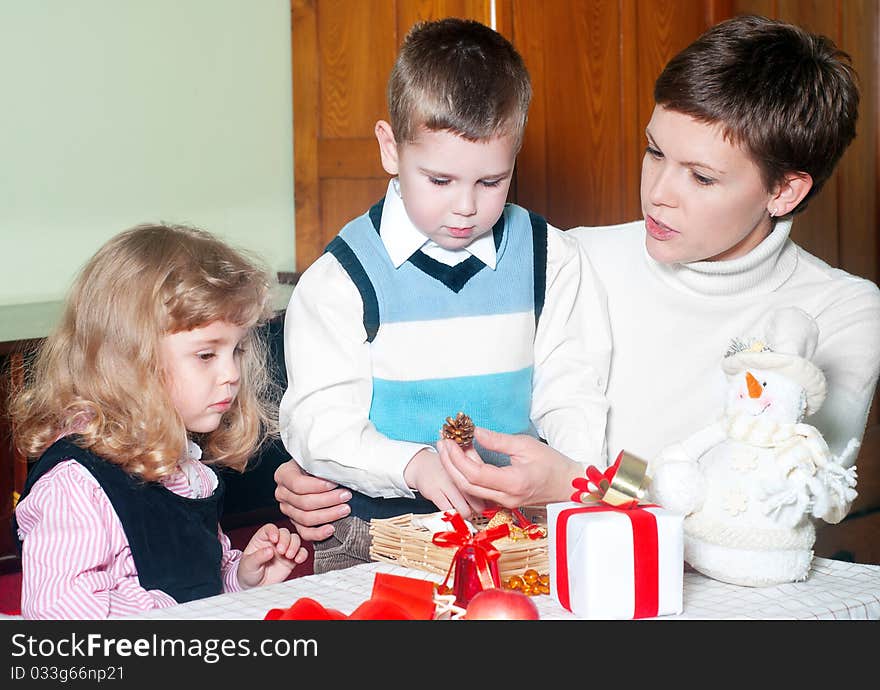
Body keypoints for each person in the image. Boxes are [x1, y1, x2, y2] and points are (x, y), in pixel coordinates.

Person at [275, 14, 880, 535]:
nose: (658, 194)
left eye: (700, 176)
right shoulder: (570, 257)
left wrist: (583, 484)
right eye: (653, 152)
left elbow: (761, 511)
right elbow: (348, 405)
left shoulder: (840, 314)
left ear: (784, 190)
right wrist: (322, 471)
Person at [276, 17, 611, 571]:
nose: (465, 207)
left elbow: (572, 389)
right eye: (439, 180)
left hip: (517, 528)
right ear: (390, 148)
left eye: (491, 182)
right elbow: (320, 425)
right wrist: (414, 465)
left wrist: (571, 476)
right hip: (377, 532)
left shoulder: (551, 258)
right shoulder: (340, 279)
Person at [12, 223, 309, 619]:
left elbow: (196, 576)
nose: (232, 374)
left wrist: (241, 578)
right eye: (206, 355)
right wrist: (172, 611)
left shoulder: (182, 466)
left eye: (236, 351)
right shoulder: (76, 485)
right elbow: (58, 610)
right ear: (131, 360)